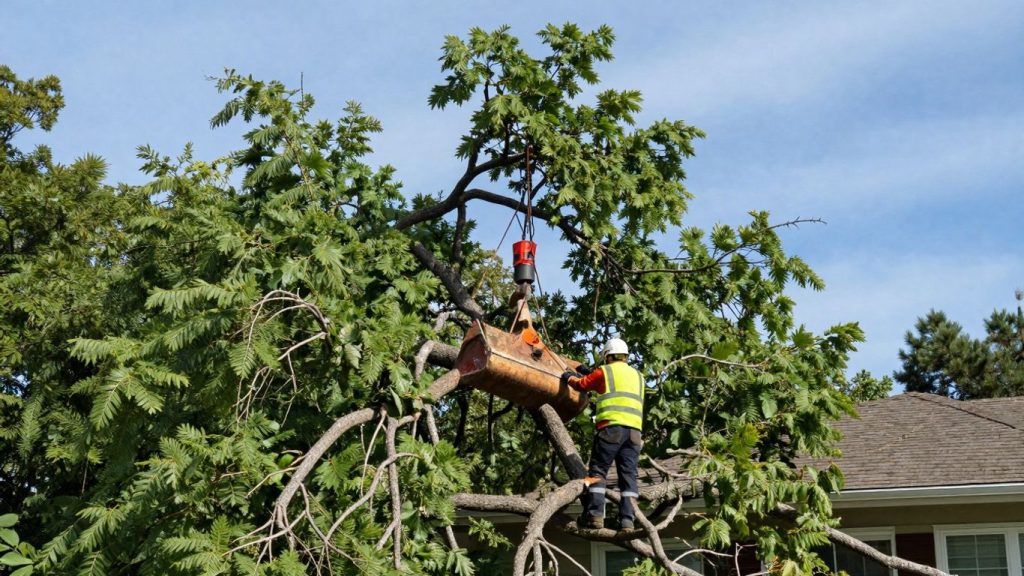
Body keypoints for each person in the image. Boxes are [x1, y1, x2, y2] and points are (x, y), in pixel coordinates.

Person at [561, 337, 644, 530]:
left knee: (598, 473)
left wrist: (569, 377)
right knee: (629, 477)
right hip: (634, 433)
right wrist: (589, 372)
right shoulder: (637, 376)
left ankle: (595, 515)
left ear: (607, 356)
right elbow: (607, 383)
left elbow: (582, 385)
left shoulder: (605, 371)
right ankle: (627, 521)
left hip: (611, 429)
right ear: (625, 356)